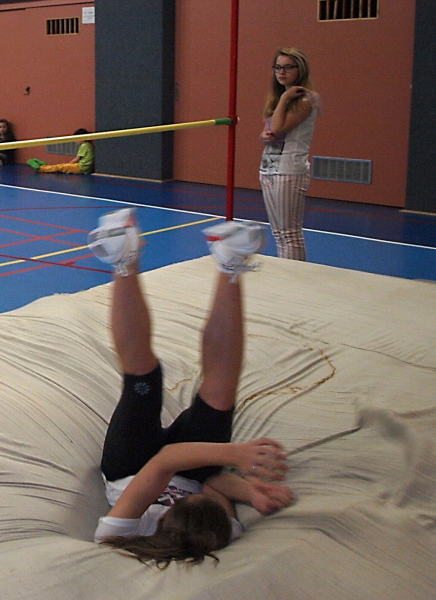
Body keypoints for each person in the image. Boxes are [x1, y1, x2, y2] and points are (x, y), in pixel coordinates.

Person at [88, 208, 293, 567]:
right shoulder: (220, 529)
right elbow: (211, 484)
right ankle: (230, 265)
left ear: (164, 518)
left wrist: (235, 455)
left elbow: (165, 462)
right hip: (194, 469)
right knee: (219, 395)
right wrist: (252, 494)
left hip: (132, 467)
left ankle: (124, 261)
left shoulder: (120, 531)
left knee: (143, 379)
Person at [259, 47, 321, 261]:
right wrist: (264, 136)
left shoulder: (305, 100)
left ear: (300, 69)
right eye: (277, 67)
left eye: (288, 67)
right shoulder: (278, 100)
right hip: (269, 167)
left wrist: (285, 98)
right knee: (278, 233)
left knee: (290, 234)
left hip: (289, 170)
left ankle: (294, 275)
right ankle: (285, 273)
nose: (281, 72)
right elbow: (269, 132)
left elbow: (277, 129)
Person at [28, 128, 94, 174]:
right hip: (85, 168)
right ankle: (47, 167)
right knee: (62, 166)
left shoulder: (84, 145)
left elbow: (77, 158)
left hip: (81, 168)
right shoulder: (88, 145)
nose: (76, 141)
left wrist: (68, 164)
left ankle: (42, 169)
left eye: (76, 139)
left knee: (61, 167)